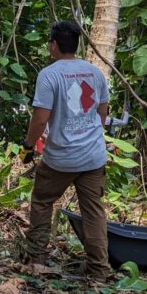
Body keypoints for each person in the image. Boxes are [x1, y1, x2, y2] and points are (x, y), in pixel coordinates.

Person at [20, 21, 111, 280]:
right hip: (93, 156)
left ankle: (37, 258)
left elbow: (40, 119)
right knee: (93, 211)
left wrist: (28, 146)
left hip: (60, 157)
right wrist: (89, 135)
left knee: (42, 201)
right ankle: (99, 270)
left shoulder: (49, 75)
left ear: (54, 45)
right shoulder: (95, 73)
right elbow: (102, 112)